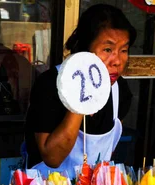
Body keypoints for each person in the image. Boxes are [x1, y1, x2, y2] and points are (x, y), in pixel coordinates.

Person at [23, 4, 135, 175]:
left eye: (124, 50)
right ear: (85, 48)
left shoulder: (120, 91)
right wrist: (82, 98)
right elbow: (52, 158)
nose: (117, 61)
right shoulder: (49, 84)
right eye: (108, 49)